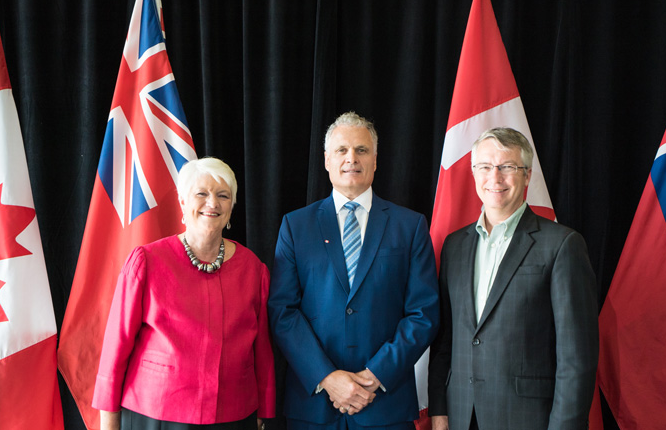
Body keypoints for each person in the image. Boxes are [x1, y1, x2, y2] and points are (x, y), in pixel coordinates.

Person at [268, 112, 439, 430]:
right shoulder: (295, 225)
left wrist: (376, 376)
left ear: (375, 160)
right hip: (314, 406)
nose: (352, 158)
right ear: (326, 160)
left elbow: (423, 313)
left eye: (362, 150)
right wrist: (327, 377)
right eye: (342, 150)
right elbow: (282, 311)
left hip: (386, 405)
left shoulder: (410, 225)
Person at [428, 128, 598, 430]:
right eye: (485, 167)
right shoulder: (454, 246)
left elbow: (576, 359)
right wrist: (439, 408)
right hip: (461, 415)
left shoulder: (562, 245)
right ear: (473, 172)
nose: (495, 178)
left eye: (507, 167)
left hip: (529, 419)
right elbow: (446, 340)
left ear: (527, 175)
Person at [92, 157, 276, 430]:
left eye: (223, 195)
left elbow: (262, 348)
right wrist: (108, 422)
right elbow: (115, 348)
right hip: (156, 413)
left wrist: (266, 409)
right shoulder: (146, 261)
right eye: (201, 193)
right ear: (182, 202)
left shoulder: (253, 268)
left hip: (234, 414)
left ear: (232, 206)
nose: (212, 203)